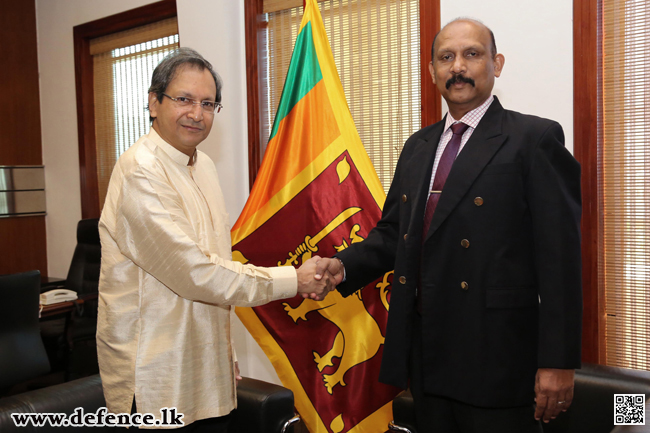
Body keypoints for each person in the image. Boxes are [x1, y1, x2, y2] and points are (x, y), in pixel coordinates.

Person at [315, 18, 582, 432]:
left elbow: (561, 261)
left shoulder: (533, 139)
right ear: (432, 71)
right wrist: (343, 265)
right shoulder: (418, 146)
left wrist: (558, 363)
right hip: (428, 353)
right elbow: (394, 234)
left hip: (499, 358)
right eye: (446, 57)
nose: (458, 67)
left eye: (471, 54)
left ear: (497, 64)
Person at [97, 48, 333, 432]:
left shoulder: (202, 164)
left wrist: (224, 351)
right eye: (184, 99)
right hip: (158, 375)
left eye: (208, 103)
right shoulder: (140, 172)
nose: (197, 113)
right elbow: (196, 273)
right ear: (153, 103)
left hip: (207, 365)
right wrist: (295, 279)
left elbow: (217, 258)